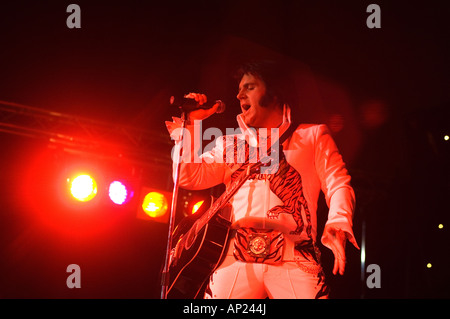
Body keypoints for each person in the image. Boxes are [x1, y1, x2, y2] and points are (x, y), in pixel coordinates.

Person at [165, 60, 359, 299]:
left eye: (249, 87)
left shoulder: (312, 136)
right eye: (239, 88)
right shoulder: (229, 143)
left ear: (274, 92)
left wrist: (338, 222)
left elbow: (337, 182)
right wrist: (191, 125)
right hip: (234, 258)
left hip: (295, 256)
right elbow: (188, 176)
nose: (238, 95)